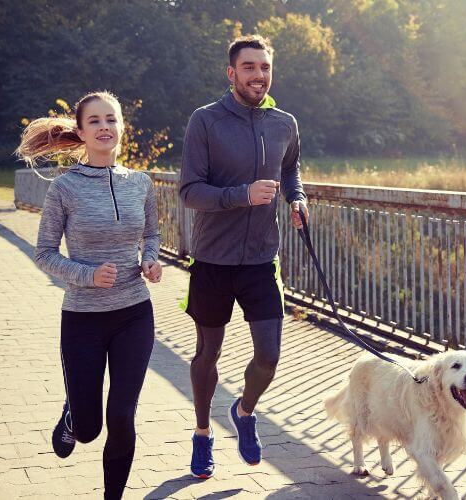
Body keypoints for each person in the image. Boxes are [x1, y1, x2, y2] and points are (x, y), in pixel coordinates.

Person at [15, 91, 162, 499]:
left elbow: (152, 234)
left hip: (134, 314)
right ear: (80, 131)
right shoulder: (65, 188)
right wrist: (87, 274)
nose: (104, 127)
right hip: (83, 318)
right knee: (88, 428)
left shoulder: (141, 183)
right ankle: (71, 417)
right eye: (94, 121)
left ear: (121, 128)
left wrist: (150, 260)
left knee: (121, 416)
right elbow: (43, 253)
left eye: (111, 119)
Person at [177, 34, 307, 479]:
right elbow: (190, 192)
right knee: (207, 354)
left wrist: (296, 199)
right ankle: (201, 433)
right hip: (212, 260)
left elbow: (289, 168)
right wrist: (243, 195)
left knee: (269, 356)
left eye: (265, 68)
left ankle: (244, 412)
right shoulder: (205, 122)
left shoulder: (285, 122)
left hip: (260, 260)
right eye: (249, 67)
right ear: (231, 73)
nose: (259, 76)